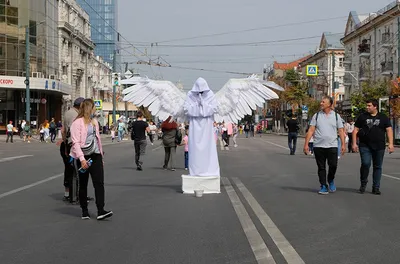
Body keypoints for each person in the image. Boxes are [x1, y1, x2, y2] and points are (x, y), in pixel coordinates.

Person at [70, 98, 113, 220]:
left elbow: (97, 140)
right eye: (94, 107)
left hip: (95, 155)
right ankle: (84, 210)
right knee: (83, 184)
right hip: (82, 156)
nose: (95, 109)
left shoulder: (94, 122)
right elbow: (75, 143)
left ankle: (101, 210)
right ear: (90, 108)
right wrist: (82, 159)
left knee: (99, 183)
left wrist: (101, 156)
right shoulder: (77, 123)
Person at [303, 96, 346, 195]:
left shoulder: (336, 116)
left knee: (333, 165)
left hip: (332, 145)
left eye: (323, 102)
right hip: (318, 146)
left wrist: (343, 144)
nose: (321, 103)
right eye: (321, 101)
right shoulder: (316, 115)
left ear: (329, 104)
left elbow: (341, 130)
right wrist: (306, 144)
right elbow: (311, 130)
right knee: (321, 167)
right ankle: (323, 185)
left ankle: (330, 180)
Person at [352, 99, 394, 195]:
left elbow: (389, 130)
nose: (367, 107)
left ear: (375, 107)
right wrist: (354, 143)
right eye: (367, 105)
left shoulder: (383, 117)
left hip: (379, 146)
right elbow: (355, 130)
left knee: (377, 166)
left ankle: (376, 187)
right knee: (366, 163)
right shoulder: (362, 117)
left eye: (369, 105)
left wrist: (391, 143)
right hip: (364, 145)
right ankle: (363, 183)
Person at [184, 77, 220, 177]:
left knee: (208, 147)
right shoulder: (190, 95)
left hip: (207, 125)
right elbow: (186, 109)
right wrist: (197, 105)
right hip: (195, 126)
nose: (200, 92)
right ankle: (196, 171)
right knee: (195, 149)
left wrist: (203, 105)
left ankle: (209, 170)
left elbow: (215, 108)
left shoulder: (210, 95)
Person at [59, 97, 84, 201]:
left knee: (68, 169)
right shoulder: (76, 115)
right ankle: (76, 195)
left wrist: (65, 144)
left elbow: (64, 130)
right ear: (80, 106)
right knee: (77, 170)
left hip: (67, 144)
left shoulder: (67, 113)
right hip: (73, 144)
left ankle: (67, 193)